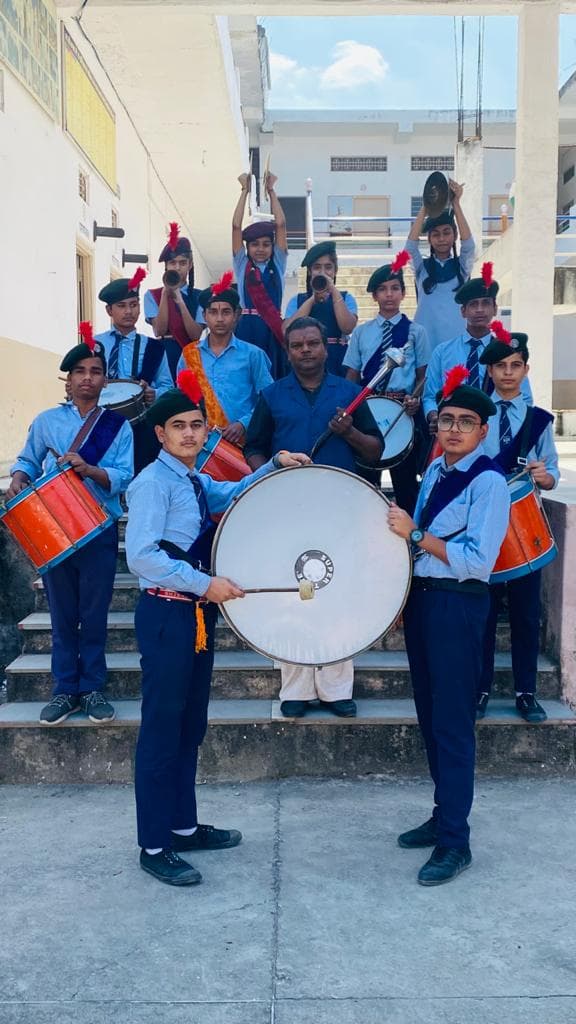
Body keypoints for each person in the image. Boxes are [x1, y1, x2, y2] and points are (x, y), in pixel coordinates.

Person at [125, 369, 309, 886]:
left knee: (189, 727)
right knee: (162, 731)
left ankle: (182, 827)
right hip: (166, 614)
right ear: (159, 434)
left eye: (196, 425)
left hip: (195, 617)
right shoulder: (151, 484)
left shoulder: (189, 478)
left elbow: (228, 494)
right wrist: (204, 583)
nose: (189, 433)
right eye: (178, 426)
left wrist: (273, 463)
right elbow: (142, 556)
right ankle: (154, 843)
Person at [388, 366, 510, 886]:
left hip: (460, 605)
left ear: (484, 431)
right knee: (431, 715)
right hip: (425, 601)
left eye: (466, 422)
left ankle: (455, 842)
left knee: (454, 725)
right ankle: (443, 816)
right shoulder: (437, 471)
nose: (454, 429)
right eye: (446, 421)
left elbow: (477, 560)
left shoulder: (489, 482)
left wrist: (416, 536)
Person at [244, 316, 382, 720]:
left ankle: (337, 688)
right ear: (287, 352)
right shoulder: (272, 396)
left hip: (341, 510)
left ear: (326, 347)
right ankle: (296, 688)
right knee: (294, 594)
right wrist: (268, 472)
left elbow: (375, 451)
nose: (305, 351)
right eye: (297, 345)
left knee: (339, 595)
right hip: (288, 511)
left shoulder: (351, 394)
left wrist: (350, 433)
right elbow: (253, 447)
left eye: (312, 343)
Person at [7, 324, 134, 726]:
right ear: (68, 380)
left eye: (95, 371)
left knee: (94, 615)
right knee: (63, 615)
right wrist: (18, 477)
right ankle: (64, 691)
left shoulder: (118, 427)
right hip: (54, 529)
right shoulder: (46, 421)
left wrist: (89, 469)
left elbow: (125, 476)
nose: (87, 378)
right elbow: (28, 459)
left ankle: (93, 688)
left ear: (105, 380)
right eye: (79, 371)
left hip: (96, 529)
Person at [476, 325, 559, 723]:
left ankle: (527, 692)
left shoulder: (540, 420)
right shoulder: (475, 418)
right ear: (490, 372)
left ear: (526, 370)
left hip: (525, 530)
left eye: (515, 365)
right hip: (483, 530)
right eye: (500, 366)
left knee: (526, 615)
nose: (508, 372)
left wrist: (546, 476)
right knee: (483, 614)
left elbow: (553, 472)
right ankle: (480, 688)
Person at [343, 251, 430, 515]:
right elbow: (352, 375)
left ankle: (411, 540)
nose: (389, 294)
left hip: (402, 413)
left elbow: (423, 374)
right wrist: (356, 409)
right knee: (366, 482)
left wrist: (415, 399)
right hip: (369, 413)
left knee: (405, 485)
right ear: (374, 296)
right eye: (382, 289)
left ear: (404, 293)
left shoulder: (416, 332)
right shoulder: (361, 333)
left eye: (395, 288)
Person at [423, 263, 532, 436]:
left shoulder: (508, 353)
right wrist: (434, 416)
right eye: (473, 304)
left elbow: (524, 398)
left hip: (496, 432)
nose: (480, 309)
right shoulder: (442, 352)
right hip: (453, 432)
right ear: (463, 311)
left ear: (495, 308)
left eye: (486, 303)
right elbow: (429, 396)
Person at [176, 272, 273, 446]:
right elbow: (180, 397)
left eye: (226, 312)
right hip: (200, 443)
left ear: (236, 315)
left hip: (242, 442)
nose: (219, 319)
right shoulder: (189, 354)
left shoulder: (253, 355)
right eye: (213, 312)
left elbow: (268, 398)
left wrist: (243, 423)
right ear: (204, 315)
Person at [96, 269, 172, 472]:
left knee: (141, 473)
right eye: (121, 306)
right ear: (109, 311)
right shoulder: (95, 344)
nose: (129, 311)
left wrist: (154, 394)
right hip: (101, 425)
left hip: (141, 427)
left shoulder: (154, 347)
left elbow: (168, 386)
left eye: (134, 305)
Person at [405, 180, 475, 352]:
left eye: (446, 232)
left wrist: (456, 204)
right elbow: (409, 248)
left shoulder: (462, 268)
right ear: (429, 239)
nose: (442, 238)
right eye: (435, 234)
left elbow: (469, 246)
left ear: (455, 235)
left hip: (456, 345)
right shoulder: (422, 268)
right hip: (424, 345)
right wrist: (425, 207)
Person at [232, 171, 288, 379]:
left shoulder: (279, 264)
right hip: (246, 329)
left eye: (266, 244)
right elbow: (236, 226)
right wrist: (245, 191)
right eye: (254, 244)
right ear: (248, 248)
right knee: (245, 377)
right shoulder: (242, 264)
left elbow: (281, 225)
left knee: (272, 377)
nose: (260, 249)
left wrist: (271, 190)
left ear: (273, 247)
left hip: (272, 330)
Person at [283, 240, 358, 377]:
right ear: (310, 272)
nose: (323, 272)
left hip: (336, 361)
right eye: (317, 267)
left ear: (335, 271)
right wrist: (313, 298)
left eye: (328, 267)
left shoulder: (346, 298)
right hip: (304, 360)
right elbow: (287, 330)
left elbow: (347, 327)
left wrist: (332, 290)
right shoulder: (298, 300)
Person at [144, 223, 205, 379]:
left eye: (182, 263)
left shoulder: (201, 297)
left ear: (190, 265)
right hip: (163, 355)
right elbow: (159, 331)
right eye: (172, 263)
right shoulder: (152, 295)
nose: (177, 267)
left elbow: (195, 335)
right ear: (166, 266)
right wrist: (165, 295)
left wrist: (180, 302)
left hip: (190, 355)